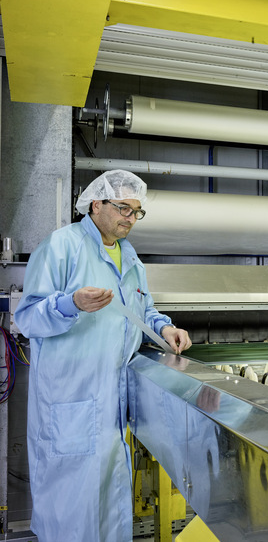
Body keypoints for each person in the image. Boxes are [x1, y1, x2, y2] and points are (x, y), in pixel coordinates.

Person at [14, 169, 192, 542]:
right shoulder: (61, 246)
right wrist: (70, 303)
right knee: (72, 515)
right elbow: (27, 318)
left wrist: (165, 329)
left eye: (136, 212)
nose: (130, 218)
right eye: (123, 208)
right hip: (70, 403)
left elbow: (144, 310)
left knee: (109, 513)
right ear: (97, 204)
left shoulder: (130, 258)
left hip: (112, 404)